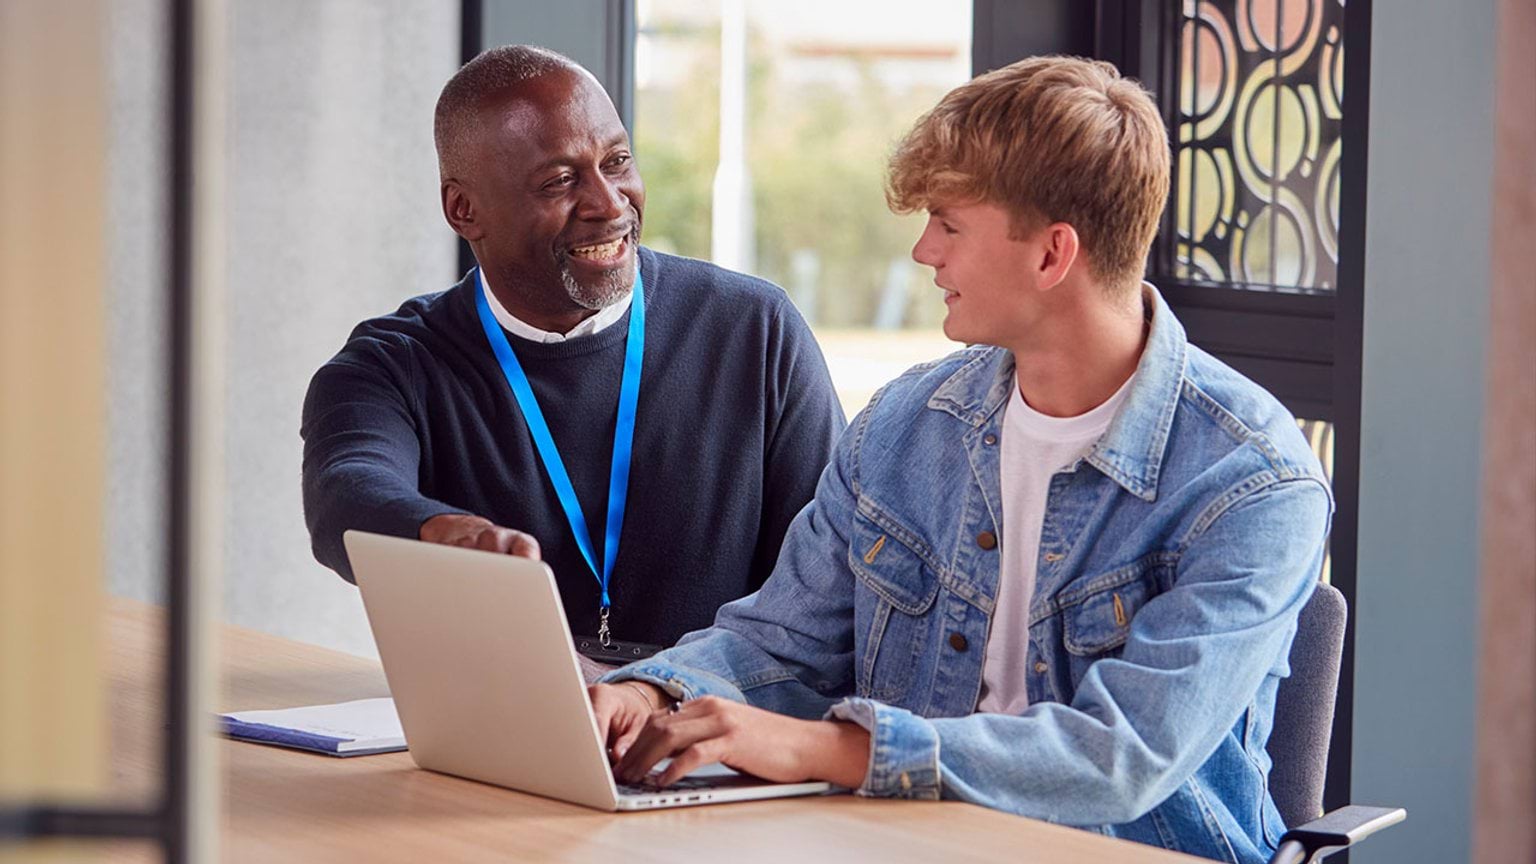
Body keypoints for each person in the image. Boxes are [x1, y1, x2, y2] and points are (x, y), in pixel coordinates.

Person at [589, 56, 1330, 864]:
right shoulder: (905, 426)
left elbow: (1122, 758)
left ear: (1052, 256)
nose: (922, 252)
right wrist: (650, 691)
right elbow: (779, 641)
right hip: (905, 844)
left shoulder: (1253, 481)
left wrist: (830, 751)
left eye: (948, 223)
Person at [301, 46, 844, 661]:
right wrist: (445, 535)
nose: (609, 203)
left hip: (717, 724)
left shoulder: (756, 331)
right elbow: (344, 488)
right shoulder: (394, 363)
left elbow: (825, 583)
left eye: (617, 162)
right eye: (560, 181)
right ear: (464, 209)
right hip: (505, 733)